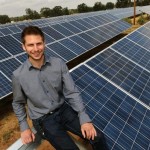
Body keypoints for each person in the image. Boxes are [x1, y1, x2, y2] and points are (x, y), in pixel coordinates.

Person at [12, 26, 108, 150]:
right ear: (24, 47)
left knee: (98, 137)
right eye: (30, 45)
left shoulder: (58, 64)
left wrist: (84, 117)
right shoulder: (18, 75)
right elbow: (18, 103)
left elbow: (72, 92)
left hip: (64, 110)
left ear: (44, 43)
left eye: (39, 44)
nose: (36, 49)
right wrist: (24, 126)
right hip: (44, 120)